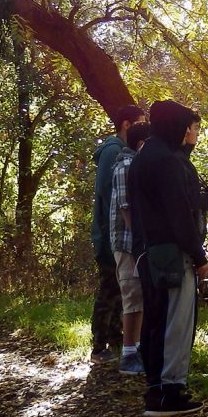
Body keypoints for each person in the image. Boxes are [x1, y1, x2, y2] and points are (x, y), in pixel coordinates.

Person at [128, 100, 208, 417]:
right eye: (186, 125)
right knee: (175, 320)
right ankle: (170, 392)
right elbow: (180, 215)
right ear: (175, 126)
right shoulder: (166, 161)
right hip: (172, 254)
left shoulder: (144, 155)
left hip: (148, 250)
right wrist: (199, 256)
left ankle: (155, 387)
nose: (189, 131)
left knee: (156, 317)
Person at [90, 104, 144, 365]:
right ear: (126, 124)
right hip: (110, 235)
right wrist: (106, 235)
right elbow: (107, 192)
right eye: (140, 122)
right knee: (110, 288)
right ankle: (99, 345)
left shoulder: (121, 151)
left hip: (113, 234)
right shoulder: (113, 151)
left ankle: (115, 340)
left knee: (119, 289)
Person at [109, 121, 153, 376]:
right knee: (132, 296)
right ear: (141, 143)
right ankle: (128, 355)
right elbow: (126, 208)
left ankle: (136, 350)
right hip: (127, 243)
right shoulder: (125, 165)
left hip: (135, 243)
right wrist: (140, 241)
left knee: (139, 297)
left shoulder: (135, 164)